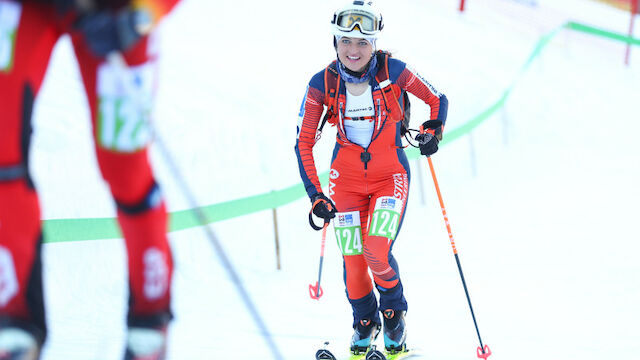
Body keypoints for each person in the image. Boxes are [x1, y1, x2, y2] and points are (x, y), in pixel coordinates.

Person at [0, 0, 179, 359]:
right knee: (3, 151)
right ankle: (14, 316)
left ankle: (149, 313)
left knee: (124, 166)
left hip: (116, 11)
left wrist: (144, 12)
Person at [295, 0, 448, 355]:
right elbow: (303, 143)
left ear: (374, 44)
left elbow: (437, 98)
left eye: (362, 43)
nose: (354, 49)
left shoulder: (393, 71)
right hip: (344, 182)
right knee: (352, 260)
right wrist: (316, 195)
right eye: (346, 41)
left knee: (375, 252)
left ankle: (394, 318)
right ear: (335, 42)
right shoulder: (322, 83)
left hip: (389, 176)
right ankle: (364, 324)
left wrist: (432, 131)